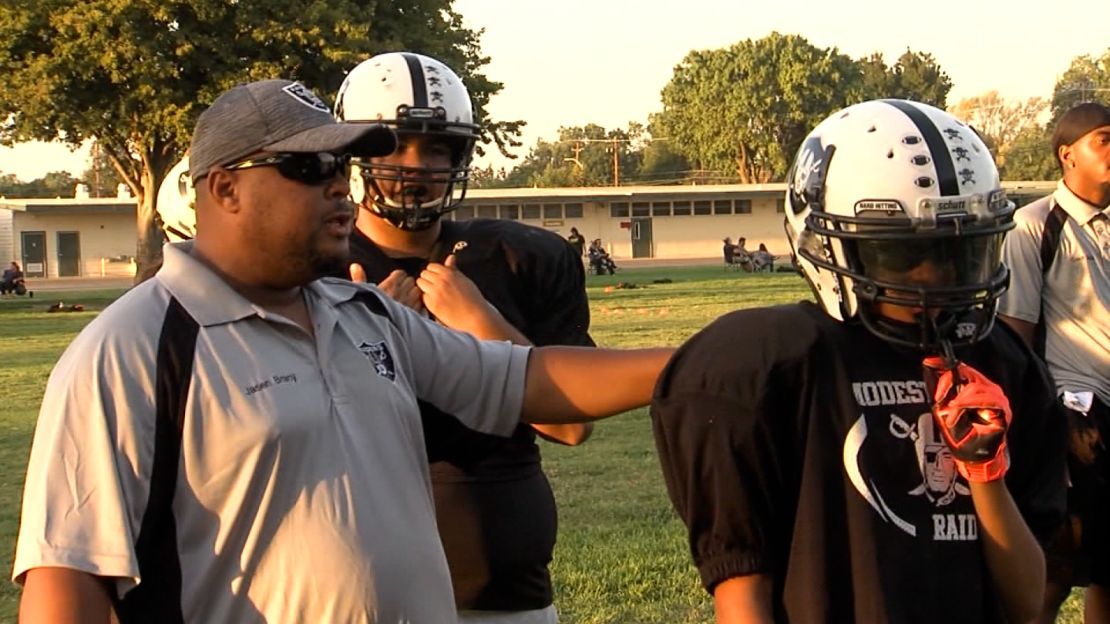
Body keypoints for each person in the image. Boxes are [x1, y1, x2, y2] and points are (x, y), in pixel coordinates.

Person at [13, 78, 673, 624]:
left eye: (339, 166)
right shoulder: (134, 347)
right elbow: (67, 581)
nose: (338, 185)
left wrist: (697, 359)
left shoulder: (364, 314)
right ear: (223, 189)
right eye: (307, 167)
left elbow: (530, 383)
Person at [652, 99, 1067, 623]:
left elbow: (1027, 603)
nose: (936, 276)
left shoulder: (1004, 365)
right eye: (902, 254)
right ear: (823, 241)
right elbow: (742, 589)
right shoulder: (770, 366)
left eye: (959, 251)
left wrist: (986, 473)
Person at [333, 51, 593, 623]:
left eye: (437, 148)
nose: (416, 165)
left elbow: (571, 423)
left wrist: (482, 324)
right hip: (362, 594)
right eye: (392, 145)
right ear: (352, 154)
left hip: (511, 595)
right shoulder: (316, 266)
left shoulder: (523, 257)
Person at [997, 101, 1110, 623]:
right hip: (1077, 415)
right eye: (1103, 140)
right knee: (1056, 566)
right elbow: (1016, 336)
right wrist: (1051, 421)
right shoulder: (1034, 226)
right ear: (1068, 155)